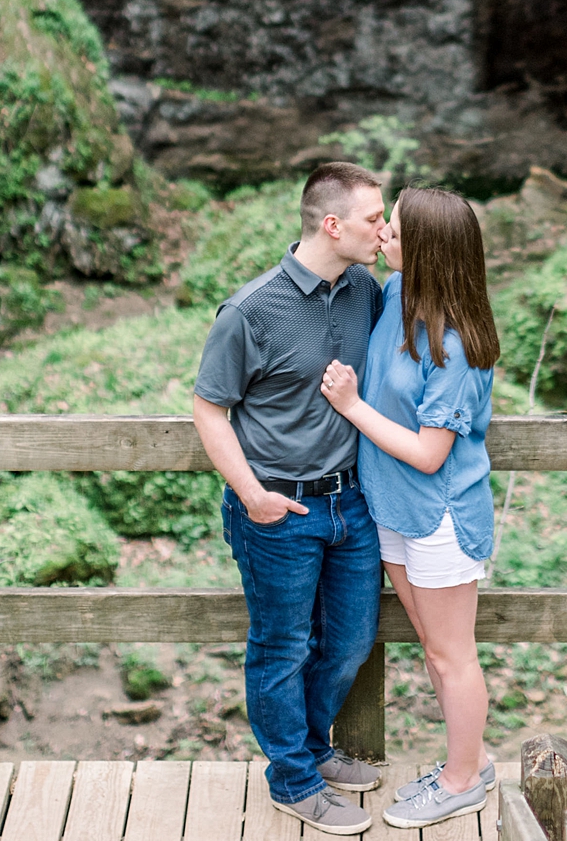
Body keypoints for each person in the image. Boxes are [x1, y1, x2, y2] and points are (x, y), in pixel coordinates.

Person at [192, 161, 389, 836]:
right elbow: (209, 410)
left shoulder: (365, 288)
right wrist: (252, 496)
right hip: (278, 511)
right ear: (331, 224)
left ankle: (310, 750)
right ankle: (294, 781)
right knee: (281, 647)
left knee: (352, 639)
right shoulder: (251, 309)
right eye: (374, 218)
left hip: (351, 504)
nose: (383, 229)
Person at [320, 186, 501, 830]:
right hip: (390, 508)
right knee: (430, 644)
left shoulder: (457, 346)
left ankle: (462, 781)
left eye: (393, 230)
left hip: (440, 516)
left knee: (453, 654)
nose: (382, 236)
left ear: (425, 248)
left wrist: (352, 407)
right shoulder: (398, 294)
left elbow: (429, 453)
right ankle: (469, 762)